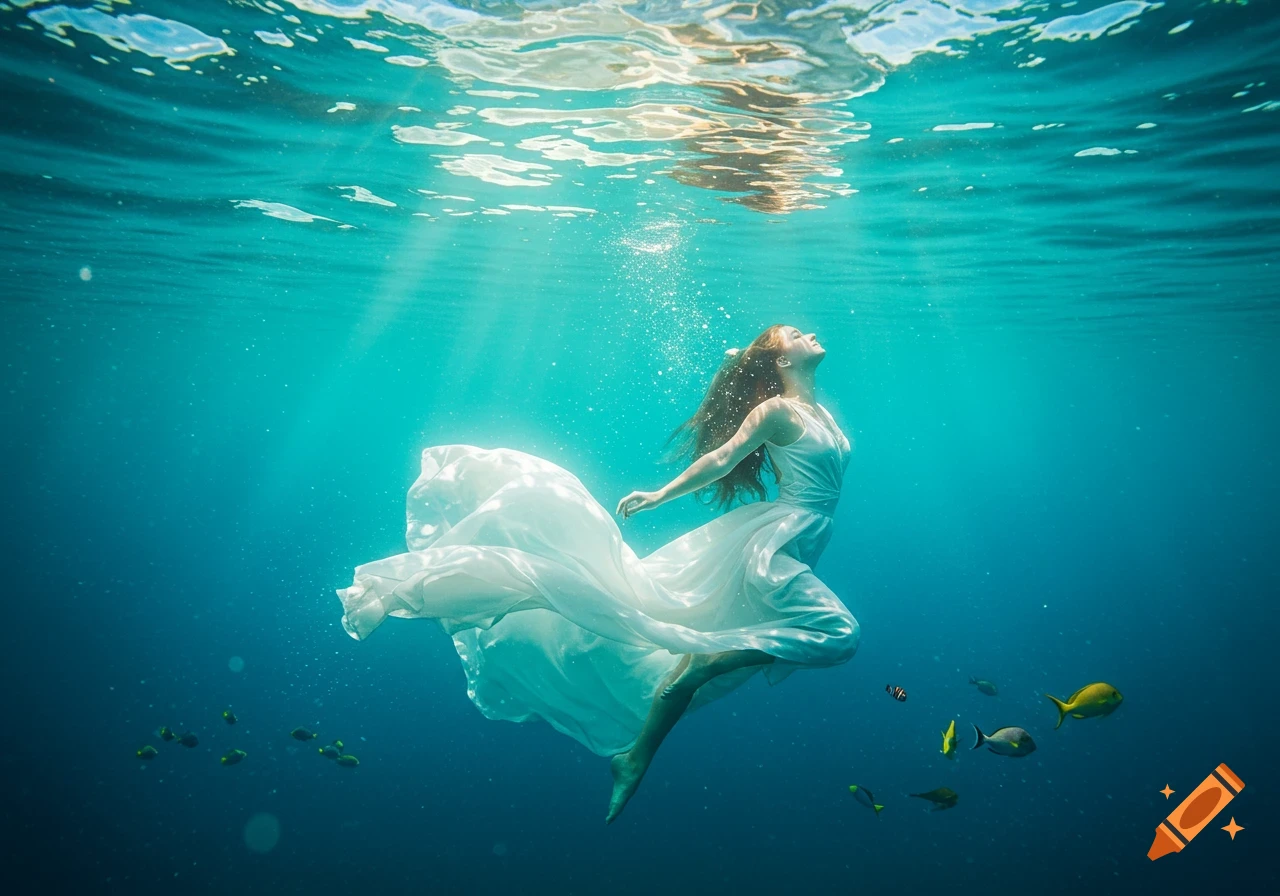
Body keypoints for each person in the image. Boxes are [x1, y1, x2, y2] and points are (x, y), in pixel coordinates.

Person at [336, 324, 859, 823]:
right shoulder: (777, 411)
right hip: (774, 544)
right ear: (783, 360)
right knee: (839, 635)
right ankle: (702, 667)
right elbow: (723, 458)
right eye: (793, 334)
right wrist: (659, 496)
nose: (808, 333)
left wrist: (744, 361)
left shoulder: (820, 414)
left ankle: (636, 756)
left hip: (802, 536)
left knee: (706, 635)